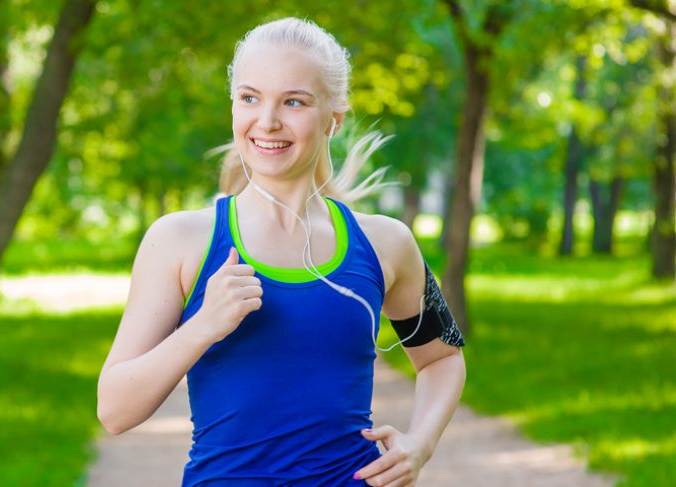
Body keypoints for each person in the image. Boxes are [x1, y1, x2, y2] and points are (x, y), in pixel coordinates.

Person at [97, 17, 466, 487]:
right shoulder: (180, 240)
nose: (267, 121)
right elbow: (114, 411)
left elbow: (442, 357)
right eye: (250, 98)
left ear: (334, 118)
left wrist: (421, 443)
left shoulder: (384, 243)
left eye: (294, 101)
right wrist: (203, 327)